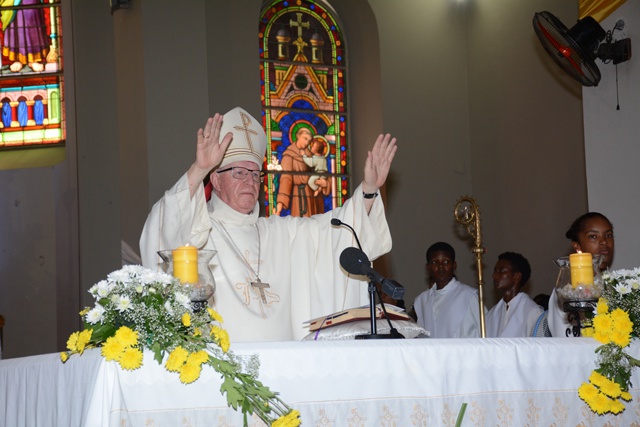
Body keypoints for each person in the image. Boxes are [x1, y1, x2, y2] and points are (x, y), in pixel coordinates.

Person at [140, 107, 397, 341]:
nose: (250, 181)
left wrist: (370, 189)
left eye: (255, 174)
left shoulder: (279, 232)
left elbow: (336, 233)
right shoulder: (199, 230)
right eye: (239, 173)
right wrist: (199, 168)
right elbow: (165, 227)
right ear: (216, 181)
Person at [548, 212, 615, 337]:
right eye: (593, 237)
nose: (604, 242)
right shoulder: (568, 291)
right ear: (576, 245)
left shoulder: (617, 284)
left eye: (609, 235)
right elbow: (564, 338)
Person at [413, 242, 484, 338]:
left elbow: (486, 334)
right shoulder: (421, 300)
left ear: (454, 265)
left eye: (446, 262)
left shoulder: (468, 296)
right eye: (435, 262)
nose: (441, 266)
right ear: (428, 267)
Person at [485, 252, 544, 338]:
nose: (494, 275)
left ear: (517, 276)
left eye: (501, 271)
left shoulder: (532, 312)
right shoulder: (490, 316)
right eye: (495, 271)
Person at [274, 127, 330, 217]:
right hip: (299, 197)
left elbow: (323, 171)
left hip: (315, 199)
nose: (307, 142)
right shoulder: (289, 155)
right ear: (297, 136)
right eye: (305, 138)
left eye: (309, 140)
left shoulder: (312, 155)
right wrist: (280, 203)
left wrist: (326, 184)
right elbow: (286, 179)